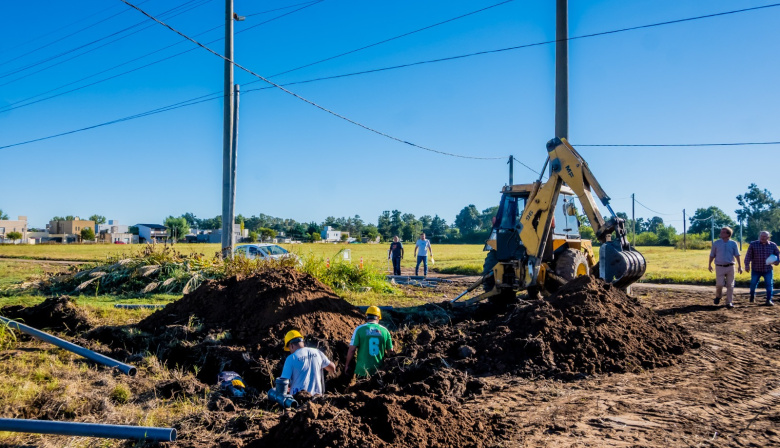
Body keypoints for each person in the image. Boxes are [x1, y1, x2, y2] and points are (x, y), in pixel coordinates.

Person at [279, 330, 336, 396]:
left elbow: (283, 383)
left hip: (299, 399)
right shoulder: (317, 352)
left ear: (291, 345)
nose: (290, 351)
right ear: (302, 342)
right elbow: (332, 368)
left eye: (289, 348)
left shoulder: (291, 358)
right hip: (316, 400)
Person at [344, 306, 393, 377]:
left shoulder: (359, 329)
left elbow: (352, 350)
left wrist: (347, 365)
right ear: (378, 317)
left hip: (362, 370)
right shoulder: (385, 331)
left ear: (367, 317)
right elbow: (390, 352)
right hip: (379, 371)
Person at [708, 227, 743, 309]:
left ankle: (729, 302)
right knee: (719, 284)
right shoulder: (716, 243)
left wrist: (740, 266)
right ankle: (718, 296)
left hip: (730, 266)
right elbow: (712, 254)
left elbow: (737, 255)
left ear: (728, 234)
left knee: (730, 285)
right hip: (719, 266)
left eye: (723, 232)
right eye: (721, 232)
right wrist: (709, 264)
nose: (721, 233)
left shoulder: (733, 243)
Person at [744, 231, 780, 306]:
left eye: (765, 236)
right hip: (756, 269)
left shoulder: (772, 245)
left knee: (769, 284)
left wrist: (777, 261)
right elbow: (748, 255)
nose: (763, 238)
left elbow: (777, 253)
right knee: (753, 284)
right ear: (759, 236)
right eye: (761, 236)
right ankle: (752, 296)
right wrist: (747, 265)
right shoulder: (753, 244)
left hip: (768, 269)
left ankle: (768, 300)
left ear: (768, 237)